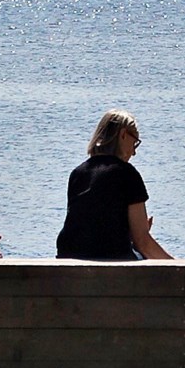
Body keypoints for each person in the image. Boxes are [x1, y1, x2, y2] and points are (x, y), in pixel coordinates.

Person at [55, 108, 173, 261]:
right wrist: (181, 266)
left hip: (68, 256)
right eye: (135, 143)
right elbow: (143, 243)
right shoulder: (127, 173)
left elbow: (90, 224)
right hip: (110, 261)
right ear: (123, 135)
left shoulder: (78, 173)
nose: (134, 152)